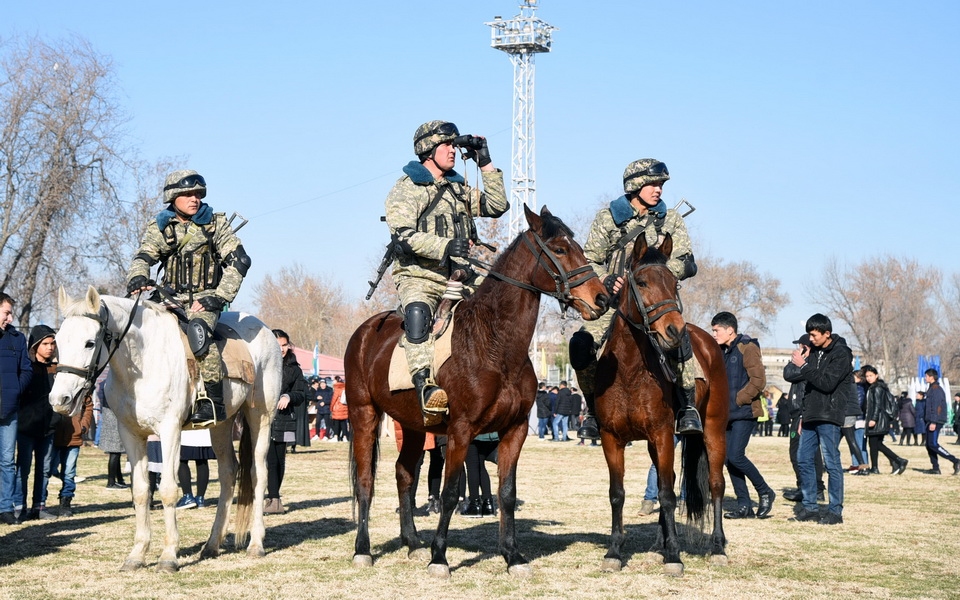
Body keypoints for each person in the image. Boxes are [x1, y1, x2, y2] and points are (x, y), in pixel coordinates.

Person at [384, 121, 507, 426]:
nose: (453, 150)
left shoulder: (459, 186)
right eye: (446, 145)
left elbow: (497, 205)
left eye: (455, 145)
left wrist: (486, 162)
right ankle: (425, 386)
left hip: (461, 275)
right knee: (417, 314)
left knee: (502, 303)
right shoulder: (408, 187)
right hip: (419, 275)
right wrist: (446, 245)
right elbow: (401, 234)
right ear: (428, 151)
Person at [571, 158, 701, 440]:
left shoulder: (671, 220)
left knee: (679, 337)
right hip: (614, 305)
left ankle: (688, 407)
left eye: (661, 185)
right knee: (580, 346)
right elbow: (590, 259)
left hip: (656, 301)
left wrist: (659, 271)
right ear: (635, 186)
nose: (659, 190)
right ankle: (593, 411)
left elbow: (686, 260)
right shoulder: (608, 218)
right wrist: (606, 280)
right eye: (653, 184)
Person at [126, 169, 251, 428]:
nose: (194, 199)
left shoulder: (216, 224)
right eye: (187, 194)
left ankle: (213, 401)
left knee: (198, 330)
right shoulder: (160, 226)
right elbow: (143, 257)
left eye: (198, 194)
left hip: (204, 299)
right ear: (173, 197)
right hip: (169, 296)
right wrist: (137, 277)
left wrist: (219, 297)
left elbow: (240, 260)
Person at [783, 314, 852, 526]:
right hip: (810, 414)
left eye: (814, 335)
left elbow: (826, 383)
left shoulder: (841, 354)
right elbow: (802, 382)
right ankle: (810, 507)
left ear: (826, 333)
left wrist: (803, 365)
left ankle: (835, 512)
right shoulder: (814, 353)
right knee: (803, 459)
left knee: (832, 463)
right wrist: (803, 414)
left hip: (830, 414)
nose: (810, 339)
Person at [711, 311, 775, 519]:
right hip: (725, 415)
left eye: (716, 330)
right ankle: (744, 506)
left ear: (730, 330)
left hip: (745, 412)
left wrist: (737, 400)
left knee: (736, 455)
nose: (714, 334)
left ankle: (765, 491)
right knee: (729, 459)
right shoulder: (720, 351)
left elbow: (758, 381)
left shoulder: (748, 347)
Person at [15, 325, 57, 521]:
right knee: (22, 469)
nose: (50, 347)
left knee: (45, 470)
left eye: (52, 343)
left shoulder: (57, 370)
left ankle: (39, 507)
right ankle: (19, 507)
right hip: (26, 427)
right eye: (46, 344)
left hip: (48, 428)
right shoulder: (26, 369)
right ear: (35, 346)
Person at [264, 329, 307, 514]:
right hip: (263, 418)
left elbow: (303, 393)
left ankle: (274, 497)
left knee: (279, 460)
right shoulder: (263, 365)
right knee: (269, 460)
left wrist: (289, 396)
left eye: (284, 345)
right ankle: (272, 498)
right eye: (278, 345)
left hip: (284, 418)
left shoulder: (293, 369)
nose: (281, 349)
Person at [780, 334, 826, 503]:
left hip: (803, 413)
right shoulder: (804, 363)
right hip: (798, 414)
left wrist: (800, 359)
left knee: (805, 453)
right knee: (801, 453)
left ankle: (812, 488)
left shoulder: (809, 365)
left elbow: (789, 374)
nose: (797, 349)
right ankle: (807, 487)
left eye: (800, 346)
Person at [0, 292, 32, 525]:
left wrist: (15, 391)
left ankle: (5, 508)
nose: (10, 318)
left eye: (10, 313)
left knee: (7, 461)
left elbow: (27, 370)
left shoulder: (17, 339)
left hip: (9, 411)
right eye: (6, 313)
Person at [52, 380, 94, 517]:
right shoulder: (55, 383)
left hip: (74, 436)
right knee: (48, 469)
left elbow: (88, 406)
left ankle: (66, 501)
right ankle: (40, 502)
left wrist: (83, 426)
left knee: (69, 472)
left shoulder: (81, 388)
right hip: (54, 434)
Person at [861, 365, 907, 475]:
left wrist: (873, 419)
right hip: (880, 420)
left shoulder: (876, 388)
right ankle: (877, 467)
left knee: (875, 445)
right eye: (867, 376)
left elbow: (877, 405)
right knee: (875, 444)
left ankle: (898, 460)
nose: (869, 378)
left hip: (877, 421)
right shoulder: (876, 387)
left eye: (871, 375)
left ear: (876, 375)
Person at [920, 368, 960, 475]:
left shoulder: (936, 389)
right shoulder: (931, 388)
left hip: (935, 421)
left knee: (933, 444)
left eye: (926, 376)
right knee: (929, 445)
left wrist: (933, 421)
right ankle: (935, 468)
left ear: (931, 377)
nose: (925, 378)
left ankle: (955, 461)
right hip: (931, 420)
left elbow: (937, 407)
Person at [97, 377, 129, 491]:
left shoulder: (105, 384)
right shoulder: (111, 384)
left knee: (116, 452)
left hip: (110, 418)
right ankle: (111, 482)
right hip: (113, 418)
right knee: (115, 453)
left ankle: (119, 479)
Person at [460, 432, 499, 518]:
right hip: (487, 434)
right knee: (480, 465)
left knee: (472, 466)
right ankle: (488, 504)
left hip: (472, 433)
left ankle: (475, 505)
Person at [176, 428, 215, 509]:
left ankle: (187, 496)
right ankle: (200, 499)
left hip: (186, 432)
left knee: (181, 461)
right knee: (202, 461)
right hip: (204, 431)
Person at [842, 370, 871, 476]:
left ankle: (861, 465)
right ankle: (859, 465)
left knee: (856, 443)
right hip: (857, 417)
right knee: (855, 443)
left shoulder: (857, 387)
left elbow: (858, 403)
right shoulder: (859, 387)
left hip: (856, 418)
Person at [328, 375, 349, 442]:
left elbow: (334, 399)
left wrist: (331, 408)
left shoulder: (337, 389)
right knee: (344, 423)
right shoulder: (344, 388)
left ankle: (336, 436)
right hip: (344, 407)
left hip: (337, 408)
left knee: (336, 423)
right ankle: (345, 437)